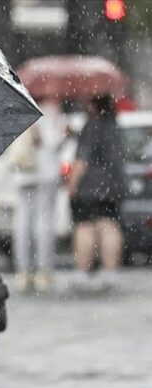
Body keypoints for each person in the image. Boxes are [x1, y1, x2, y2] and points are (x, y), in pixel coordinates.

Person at [65, 94, 126, 289]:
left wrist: (71, 185)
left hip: (89, 188)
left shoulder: (91, 126)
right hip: (113, 187)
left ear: (93, 106)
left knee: (85, 227)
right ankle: (110, 273)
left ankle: (82, 272)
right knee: (109, 226)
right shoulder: (114, 126)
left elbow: (82, 160)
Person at [10, 99, 64, 291]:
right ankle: (43, 271)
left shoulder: (19, 104)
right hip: (45, 173)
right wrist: (63, 131)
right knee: (43, 222)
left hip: (23, 172)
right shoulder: (50, 110)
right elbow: (52, 142)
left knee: (22, 221)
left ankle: (23, 271)